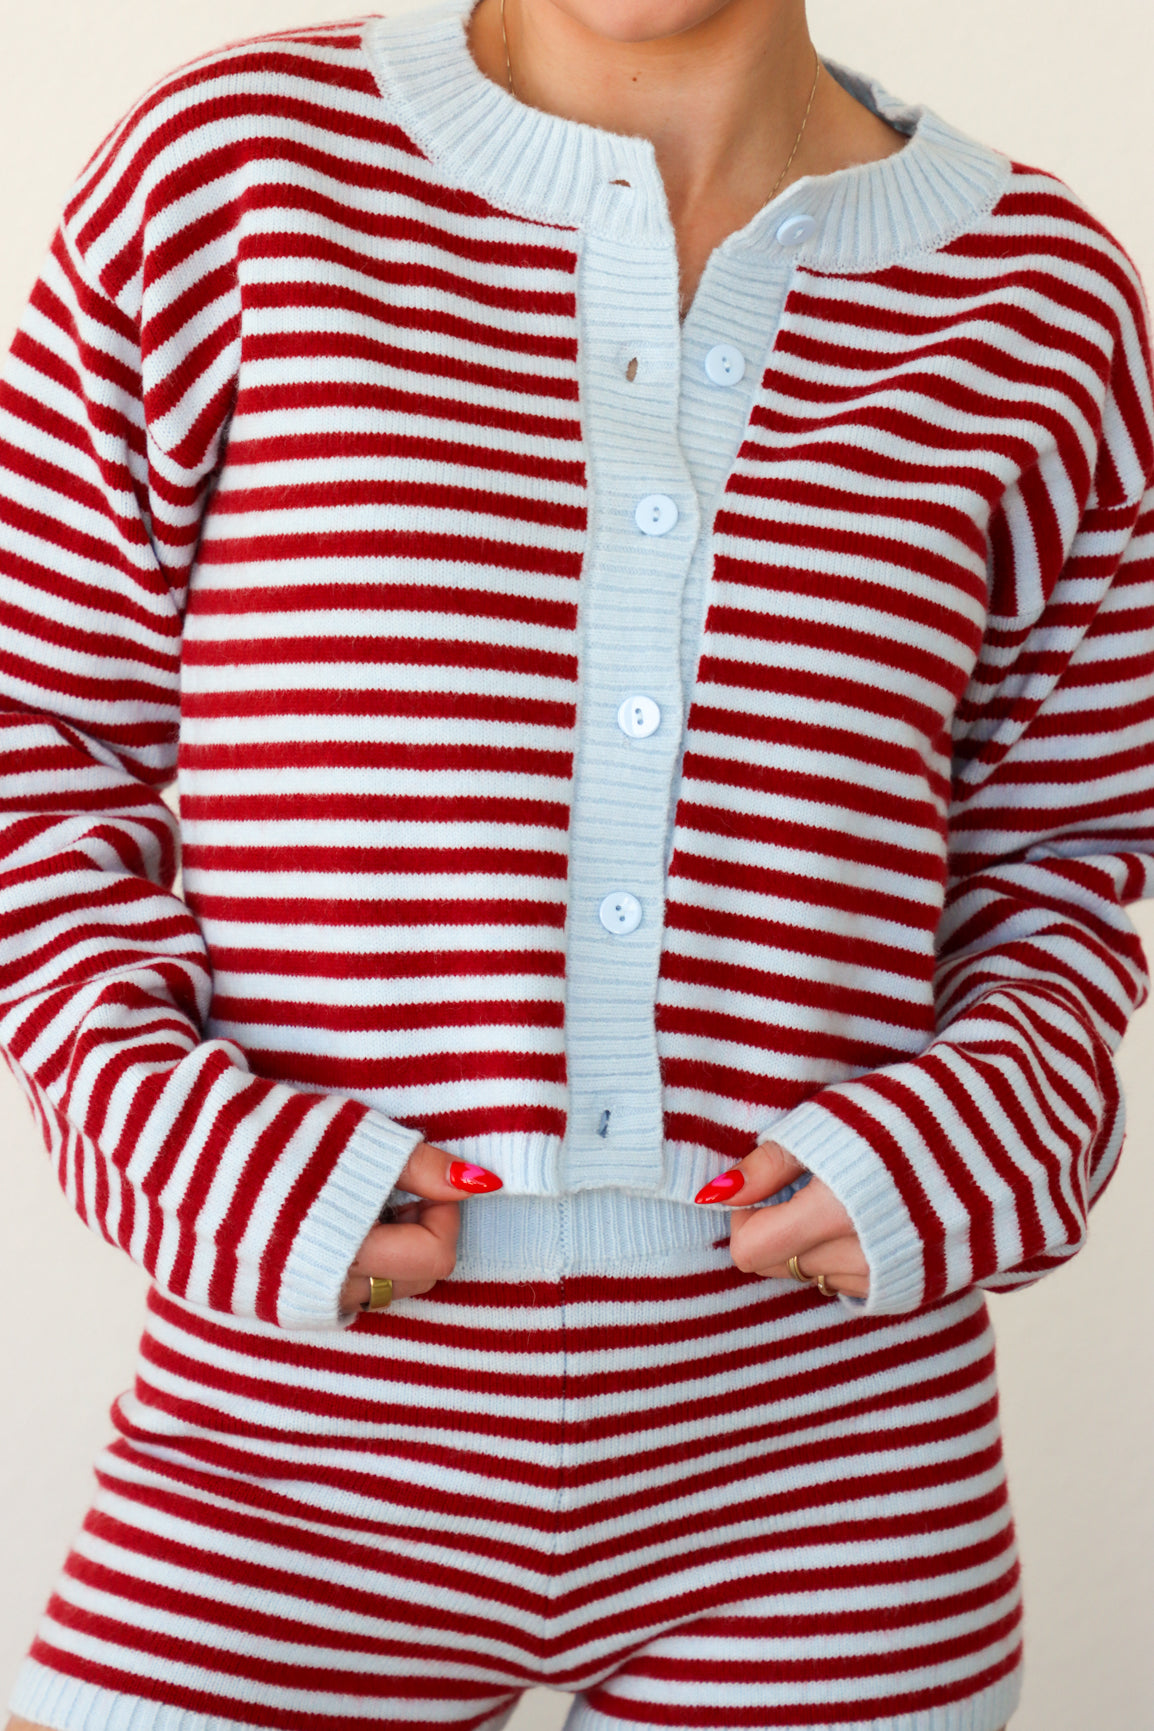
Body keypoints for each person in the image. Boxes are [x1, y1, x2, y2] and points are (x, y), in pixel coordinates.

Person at [1, 0, 1151, 1724]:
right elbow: (41, 755)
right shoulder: (231, 172)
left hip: (834, 1484)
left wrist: (971, 1143)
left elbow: (1061, 854)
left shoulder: (1044, 303)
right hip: (283, 1453)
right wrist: (188, 1147)